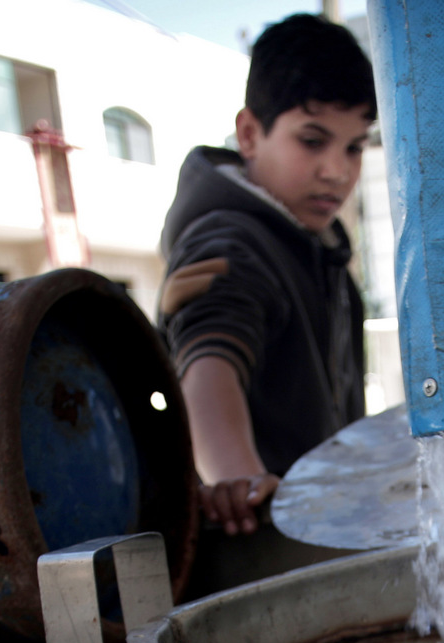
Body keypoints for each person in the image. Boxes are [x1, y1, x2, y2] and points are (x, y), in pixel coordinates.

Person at [157, 13, 375, 536]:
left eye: (355, 146)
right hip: (265, 551)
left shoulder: (321, 253)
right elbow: (208, 370)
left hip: (325, 531)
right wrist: (244, 486)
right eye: (312, 140)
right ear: (250, 134)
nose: (337, 171)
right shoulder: (232, 242)